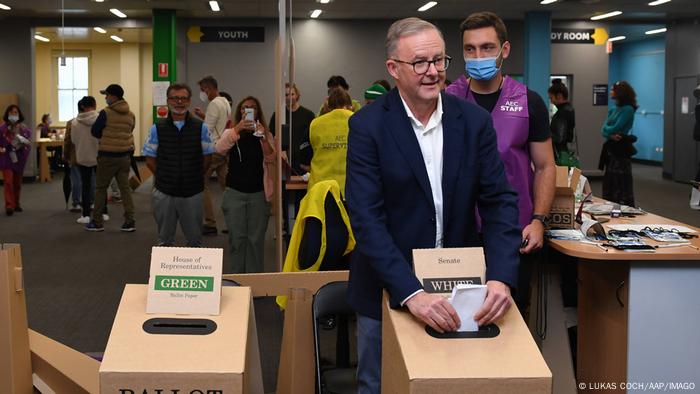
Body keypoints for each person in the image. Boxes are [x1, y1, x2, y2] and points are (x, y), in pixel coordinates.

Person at [346, 18, 521, 393]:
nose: (433, 72)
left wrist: (501, 275)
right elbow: (366, 219)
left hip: (462, 289)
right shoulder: (368, 127)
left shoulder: (473, 122)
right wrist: (412, 293)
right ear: (393, 69)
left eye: (440, 61)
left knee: (453, 384)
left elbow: (500, 202)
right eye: (420, 63)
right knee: (380, 385)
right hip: (388, 290)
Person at [445, 11, 556, 315]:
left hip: (513, 231)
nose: (478, 55)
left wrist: (539, 220)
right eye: (470, 49)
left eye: (487, 47)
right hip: (459, 231)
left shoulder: (527, 101)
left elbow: (546, 166)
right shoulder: (447, 100)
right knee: (460, 318)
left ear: (504, 50)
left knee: (508, 319)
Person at [143, 83, 214, 247]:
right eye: (175, 98)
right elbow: (149, 159)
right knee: (164, 241)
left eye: (183, 98)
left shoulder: (201, 127)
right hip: (164, 192)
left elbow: (208, 157)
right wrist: (163, 176)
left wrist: (195, 176)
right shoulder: (157, 128)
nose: (179, 102)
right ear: (168, 100)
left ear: (189, 101)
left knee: (194, 241)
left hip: (193, 192)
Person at [216, 96, 275, 273]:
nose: (247, 111)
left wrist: (264, 137)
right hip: (235, 192)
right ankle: (237, 280)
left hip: (258, 193)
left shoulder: (265, 134)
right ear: (239, 112)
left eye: (252, 108)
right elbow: (219, 149)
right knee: (237, 238)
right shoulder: (231, 133)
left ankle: (255, 281)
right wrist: (236, 130)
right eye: (244, 108)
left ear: (257, 112)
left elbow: (271, 157)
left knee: (255, 239)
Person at [86, 84, 136, 232]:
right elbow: (130, 130)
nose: (106, 98)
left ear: (114, 96)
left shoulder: (105, 113)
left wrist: (107, 138)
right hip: (124, 156)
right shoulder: (131, 114)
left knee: (101, 188)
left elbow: (95, 131)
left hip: (107, 156)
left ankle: (97, 222)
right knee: (125, 189)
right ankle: (130, 221)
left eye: (107, 95)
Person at [269, 83, 316, 235]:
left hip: (303, 163)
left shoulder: (308, 115)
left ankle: (301, 226)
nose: (289, 97)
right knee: (285, 194)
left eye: (292, 94)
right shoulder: (279, 115)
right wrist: (279, 151)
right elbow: (271, 136)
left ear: (297, 95)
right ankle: (286, 226)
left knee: (302, 195)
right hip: (285, 162)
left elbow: (313, 138)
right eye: (286, 95)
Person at [194, 76, 231, 236]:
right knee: (227, 187)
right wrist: (204, 116)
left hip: (213, 150)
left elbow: (207, 130)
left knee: (202, 185)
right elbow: (220, 124)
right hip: (224, 148)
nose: (202, 94)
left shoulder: (214, 104)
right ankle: (232, 222)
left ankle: (209, 223)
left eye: (203, 90)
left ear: (208, 88)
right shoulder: (225, 102)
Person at [308, 87, 353, 197]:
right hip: (348, 188)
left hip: (320, 188)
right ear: (350, 106)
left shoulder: (315, 124)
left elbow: (310, 152)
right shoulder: (358, 121)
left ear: (328, 106)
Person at [600, 80, 638, 206]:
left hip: (621, 151)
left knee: (620, 183)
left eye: (613, 90)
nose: (611, 92)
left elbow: (616, 127)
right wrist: (609, 133)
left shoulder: (628, 110)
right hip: (611, 150)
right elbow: (603, 130)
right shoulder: (613, 109)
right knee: (610, 181)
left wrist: (608, 131)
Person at [71, 96, 100, 224]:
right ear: (94, 104)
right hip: (99, 155)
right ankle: (103, 212)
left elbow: (73, 140)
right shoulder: (100, 118)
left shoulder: (74, 122)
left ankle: (86, 214)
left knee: (85, 185)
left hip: (82, 156)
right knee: (101, 186)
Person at [0, 105, 32, 216]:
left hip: (18, 158)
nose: (14, 114)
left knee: (17, 183)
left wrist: (23, 142)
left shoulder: (23, 128)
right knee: (8, 182)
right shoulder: (2, 128)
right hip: (6, 158)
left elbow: (28, 141)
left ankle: (16, 203)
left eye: (16, 112)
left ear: (19, 115)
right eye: (11, 112)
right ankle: (9, 205)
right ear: (7, 114)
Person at [548, 80, 578, 168]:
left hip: (559, 154)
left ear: (559, 96)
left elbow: (559, 138)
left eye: (551, 98)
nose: (551, 101)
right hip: (565, 152)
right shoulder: (569, 109)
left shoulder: (562, 113)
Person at [63, 114, 84, 213]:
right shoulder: (95, 120)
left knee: (76, 180)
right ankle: (91, 202)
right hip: (90, 155)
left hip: (75, 154)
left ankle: (76, 203)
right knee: (91, 179)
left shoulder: (72, 123)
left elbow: (67, 140)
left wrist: (66, 155)